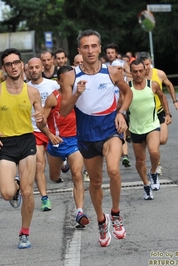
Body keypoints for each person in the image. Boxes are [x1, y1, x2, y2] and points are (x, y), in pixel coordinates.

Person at [59, 29, 133, 247]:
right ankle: (102, 220)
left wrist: (121, 113)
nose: (90, 50)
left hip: (110, 129)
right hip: (87, 135)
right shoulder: (71, 77)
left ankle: (116, 214)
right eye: (85, 47)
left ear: (100, 48)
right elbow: (63, 110)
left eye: (94, 46)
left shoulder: (113, 72)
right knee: (97, 181)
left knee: (113, 170)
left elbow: (127, 93)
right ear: (79, 50)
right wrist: (77, 94)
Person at [0, 48, 46, 249]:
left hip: (26, 141)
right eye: (9, 64)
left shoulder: (32, 92)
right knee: (7, 193)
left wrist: (41, 119)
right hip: (5, 143)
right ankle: (14, 189)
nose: (13, 67)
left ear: (21, 65)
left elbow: (40, 121)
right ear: (4, 68)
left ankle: (24, 233)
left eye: (16, 62)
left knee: (28, 191)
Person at [38, 65, 89, 227]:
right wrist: (50, 136)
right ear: (59, 81)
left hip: (75, 141)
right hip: (57, 143)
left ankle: (79, 211)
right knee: (53, 177)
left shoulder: (80, 96)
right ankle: (62, 165)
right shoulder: (53, 98)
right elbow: (41, 123)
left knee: (77, 175)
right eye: (66, 79)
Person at [128, 59, 171, 199]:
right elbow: (120, 105)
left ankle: (153, 172)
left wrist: (168, 113)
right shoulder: (127, 88)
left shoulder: (152, 85)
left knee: (154, 151)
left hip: (152, 125)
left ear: (145, 70)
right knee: (140, 161)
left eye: (141, 70)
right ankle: (146, 185)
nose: (138, 74)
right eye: (135, 71)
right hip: (135, 128)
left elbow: (162, 97)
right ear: (131, 72)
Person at [137, 52, 178, 175]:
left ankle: (153, 150)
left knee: (162, 140)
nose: (146, 67)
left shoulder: (159, 74)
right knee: (154, 142)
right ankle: (157, 164)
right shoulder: (138, 77)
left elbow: (169, 85)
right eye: (143, 65)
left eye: (147, 64)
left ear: (150, 62)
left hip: (159, 111)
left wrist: (175, 101)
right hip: (146, 114)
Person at [27, 57, 60, 212]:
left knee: (55, 172)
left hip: (54, 130)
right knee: (39, 164)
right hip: (35, 131)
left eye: (36, 67)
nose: (34, 70)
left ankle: (62, 165)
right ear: (27, 70)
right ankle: (44, 198)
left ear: (42, 68)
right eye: (31, 68)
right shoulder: (24, 88)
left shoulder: (53, 84)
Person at [111, 59, 132, 168]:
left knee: (122, 130)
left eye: (120, 68)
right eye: (116, 68)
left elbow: (128, 94)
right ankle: (123, 155)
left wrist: (122, 107)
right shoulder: (108, 79)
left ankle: (125, 155)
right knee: (120, 132)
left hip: (121, 110)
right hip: (110, 112)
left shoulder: (124, 81)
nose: (118, 70)